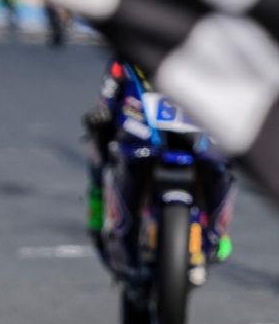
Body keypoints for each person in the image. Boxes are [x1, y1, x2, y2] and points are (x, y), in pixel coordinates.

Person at [81, 56, 235, 265]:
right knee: (102, 142)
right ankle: (99, 218)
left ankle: (218, 233)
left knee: (220, 164)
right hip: (141, 122)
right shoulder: (133, 54)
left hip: (197, 119)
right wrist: (106, 105)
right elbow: (115, 74)